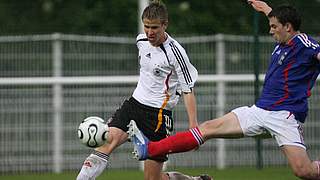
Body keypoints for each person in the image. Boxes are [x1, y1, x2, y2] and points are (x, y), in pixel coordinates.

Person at [128, 0, 320, 179]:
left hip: (284, 116)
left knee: (304, 171)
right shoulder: (284, 40)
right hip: (259, 111)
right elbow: (281, 21)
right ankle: (150, 149)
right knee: (207, 128)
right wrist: (267, 9)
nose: (270, 31)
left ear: (287, 27)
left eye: (273, 27)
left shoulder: (304, 43)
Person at [77, 1, 213, 180]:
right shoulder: (141, 41)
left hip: (157, 115)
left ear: (165, 25)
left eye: (155, 27)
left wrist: (193, 126)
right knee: (105, 143)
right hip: (133, 105)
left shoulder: (175, 53)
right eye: (147, 26)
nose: (150, 32)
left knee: (152, 179)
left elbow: (188, 90)